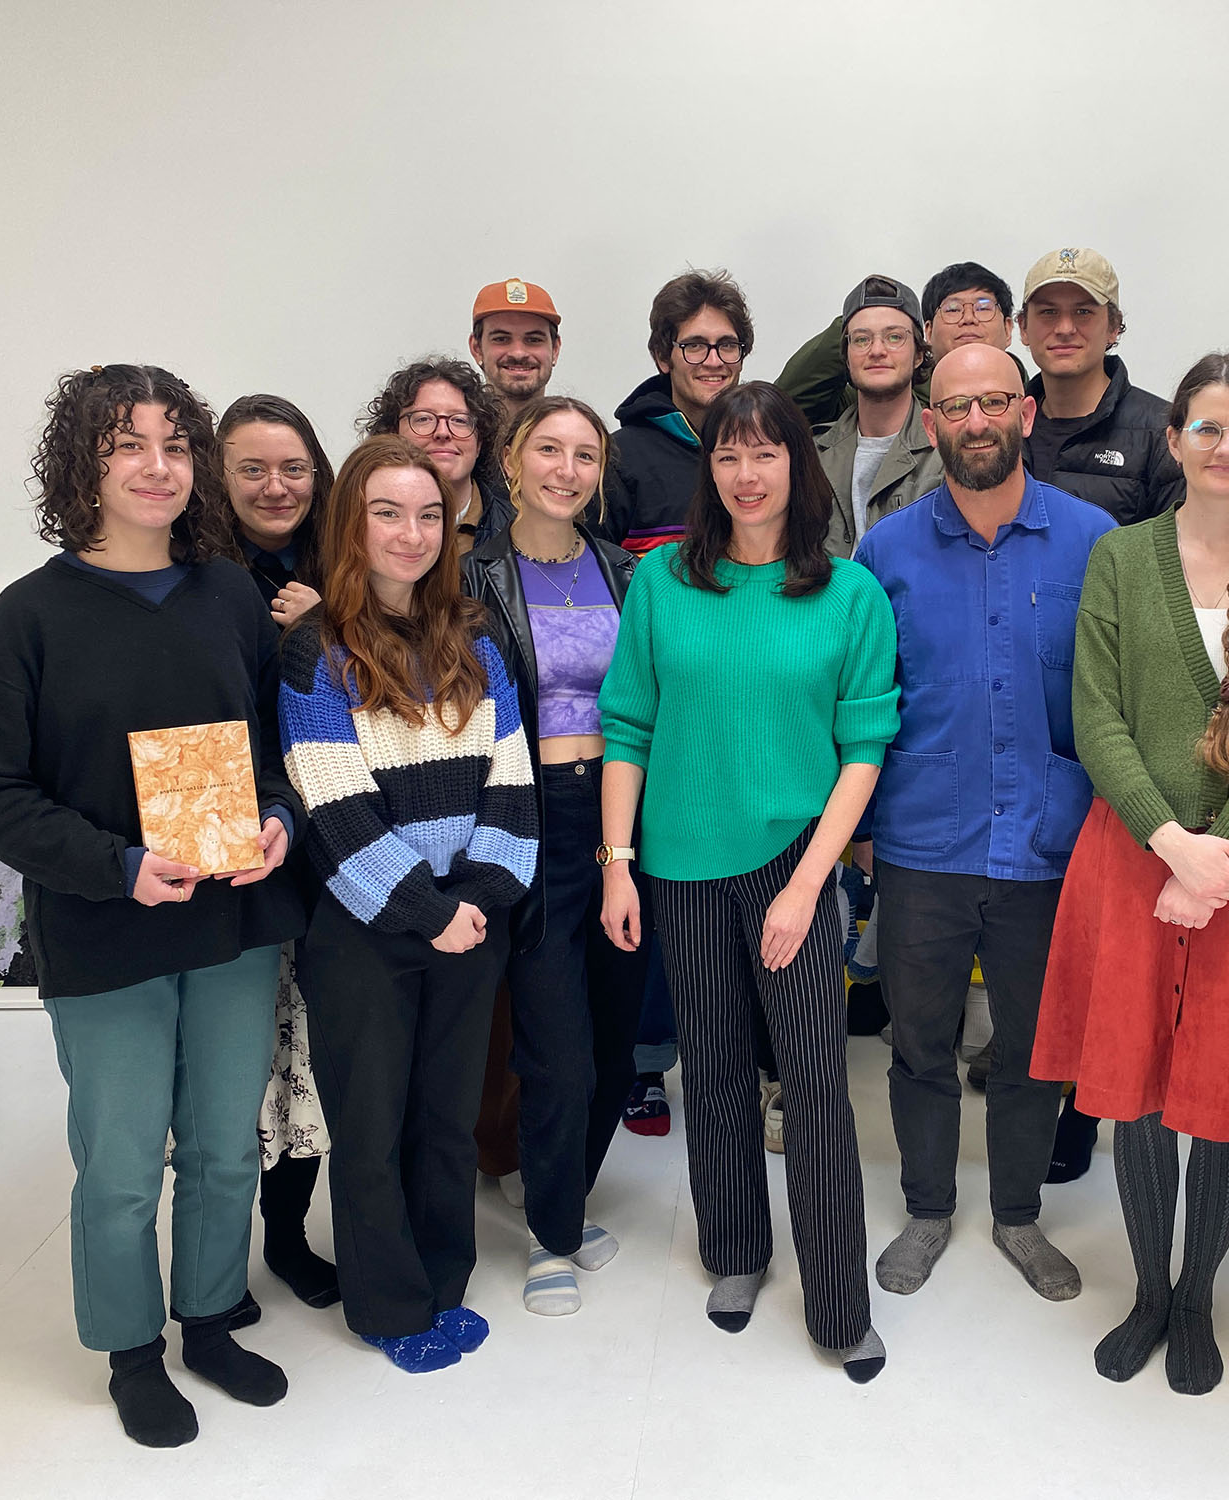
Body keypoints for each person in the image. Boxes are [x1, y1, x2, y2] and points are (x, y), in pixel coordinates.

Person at [0, 364, 303, 1447]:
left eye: (173, 444)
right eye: (126, 444)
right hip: (108, 928)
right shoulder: (30, 617)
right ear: (83, 465)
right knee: (118, 1163)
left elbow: (271, 750)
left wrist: (278, 820)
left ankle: (205, 1317)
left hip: (231, 922)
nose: (156, 466)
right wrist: (116, 864)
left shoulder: (229, 595)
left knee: (225, 1147)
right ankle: (130, 1348)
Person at [1032, 352, 1229, 1395]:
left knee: (1214, 1088)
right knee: (1132, 1093)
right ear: (1171, 442)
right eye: (1205, 428)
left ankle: (1199, 1297)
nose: (1224, 447)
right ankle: (1147, 1295)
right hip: (1132, 859)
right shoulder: (1122, 559)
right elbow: (1095, 716)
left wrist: (1218, 862)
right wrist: (1169, 844)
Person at [597, 381, 899, 1381]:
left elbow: (863, 746)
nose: (745, 471)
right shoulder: (662, 585)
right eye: (727, 454)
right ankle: (732, 1252)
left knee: (813, 1085)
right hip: (679, 865)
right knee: (716, 1071)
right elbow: (627, 728)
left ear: (796, 468)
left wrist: (807, 886)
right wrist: (617, 865)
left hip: (793, 864)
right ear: (707, 470)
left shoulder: (846, 591)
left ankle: (837, 1305)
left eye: (765, 453)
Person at [854, 343, 1112, 1301]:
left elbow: (1113, 698)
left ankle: (1016, 1216)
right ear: (931, 426)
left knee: (1033, 1047)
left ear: (1027, 411)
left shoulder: (1095, 541)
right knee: (918, 1041)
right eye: (956, 407)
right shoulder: (885, 552)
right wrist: (865, 825)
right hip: (925, 838)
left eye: (993, 402)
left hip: (1050, 844)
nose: (975, 422)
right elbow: (868, 699)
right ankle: (928, 1209)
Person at [278, 434, 539, 1374]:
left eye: (430, 514)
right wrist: (430, 910)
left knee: (446, 1116)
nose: (412, 532)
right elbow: (332, 806)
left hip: (472, 920)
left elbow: (513, 781)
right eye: (387, 512)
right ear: (352, 522)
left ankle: (444, 1276)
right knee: (374, 1120)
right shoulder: (318, 649)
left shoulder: (473, 635)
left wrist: (478, 897)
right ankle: (386, 1303)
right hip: (365, 930)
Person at [464, 397, 646, 1315]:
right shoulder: (470, 576)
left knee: (619, 1039)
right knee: (555, 1044)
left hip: (621, 820)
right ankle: (550, 1238)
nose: (567, 470)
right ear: (510, 461)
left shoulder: (626, 573)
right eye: (549, 450)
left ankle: (557, 1195)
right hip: (525, 818)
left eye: (585, 454)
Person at [216, 393, 341, 1310]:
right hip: (234, 837)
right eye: (252, 468)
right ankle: (215, 1248)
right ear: (217, 479)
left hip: (334, 834)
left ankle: (289, 1235)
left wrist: (326, 618)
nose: (275, 486)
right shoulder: (196, 575)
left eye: (292, 467)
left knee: (302, 1051)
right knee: (238, 1056)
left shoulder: (344, 561)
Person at [1017, 247, 1183, 526]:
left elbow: (1177, 555)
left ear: (1113, 326)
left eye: (1083, 311)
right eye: (1048, 312)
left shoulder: (1163, 433)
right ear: (1023, 327)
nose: (1065, 328)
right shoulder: (1002, 423)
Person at [605, 269, 753, 557]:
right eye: (694, 346)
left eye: (727, 345)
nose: (714, 361)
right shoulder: (618, 459)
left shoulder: (766, 452)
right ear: (663, 357)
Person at [776, 260, 1022, 429]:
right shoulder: (886, 394)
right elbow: (787, 404)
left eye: (983, 308)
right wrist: (869, 314)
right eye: (953, 309)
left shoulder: (1032, 400)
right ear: (927, 331)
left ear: (1009, 329)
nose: (968, 319)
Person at [814, 275, 945, 557]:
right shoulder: (812, 454)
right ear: (846, 358)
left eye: (894, 337)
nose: (876, 350)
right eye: (861, 339)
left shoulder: (947, 452)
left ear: (920, 354)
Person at [361, 357, 511, 548]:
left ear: (480, 442)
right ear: (393, 433)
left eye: (459, 420)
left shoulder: (517, 529)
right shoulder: (357, 520)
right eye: (423, 419)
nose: (442, 432)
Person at [471, 277, 563, 432]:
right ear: (476, 349)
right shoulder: (454, 443)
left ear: (555, 349)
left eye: (533, 340)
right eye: (501, 339)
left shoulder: (578, 444)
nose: (518, 353)